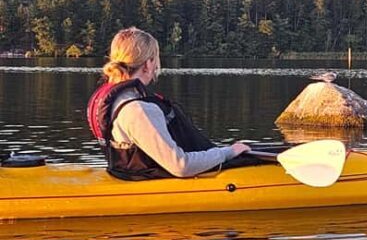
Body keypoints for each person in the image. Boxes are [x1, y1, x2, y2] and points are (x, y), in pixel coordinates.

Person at [87, 27, 251, 180]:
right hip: (146, 182)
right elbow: (180, 166)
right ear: (148, 64)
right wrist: (228, 152)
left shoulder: (114, 99)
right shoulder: (138, 109)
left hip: (125, 174)